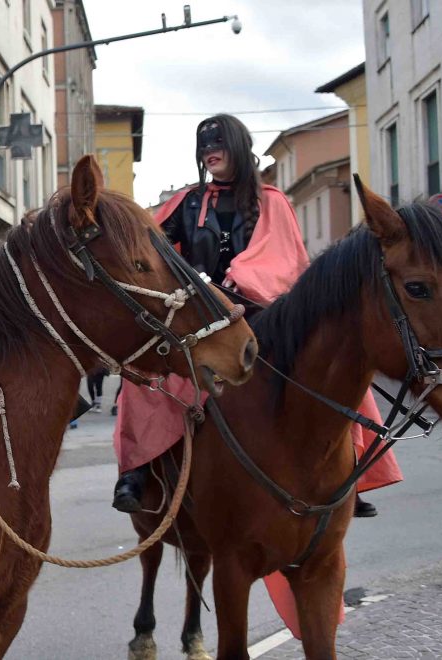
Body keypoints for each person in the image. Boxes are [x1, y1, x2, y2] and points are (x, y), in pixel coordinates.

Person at [112, 113, 402, 639]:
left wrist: (240, 281)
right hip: (205, 321)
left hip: (267, 317)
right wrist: (189, 285)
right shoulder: (187, 204)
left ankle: (353, 476)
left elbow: (287, 262)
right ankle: (138, 472)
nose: (210, 151)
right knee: (147, 378)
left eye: (218, 143)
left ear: (237, 147)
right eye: (204, 145)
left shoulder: (272, 202)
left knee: (334, 373)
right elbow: (156, 253)